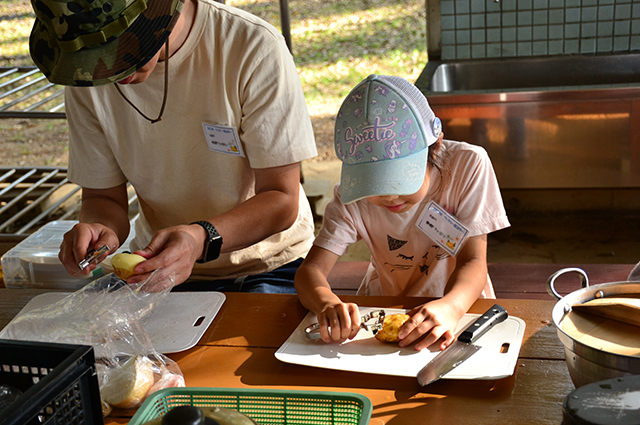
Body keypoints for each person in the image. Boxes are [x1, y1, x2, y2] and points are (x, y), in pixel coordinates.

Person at [29, 0, 318, 292]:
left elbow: (281, 198)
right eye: (96, 58)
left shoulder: (251, 46)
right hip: (153, 267)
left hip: (268, 264)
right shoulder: (89, 75)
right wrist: (99, 228)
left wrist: (198, 239)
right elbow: (104, 198)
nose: (112, 70)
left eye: (119, 50)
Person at [294, 75, 510, 350]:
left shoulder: (467, 166)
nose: (389, 196)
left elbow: (473, 261)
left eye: (400, 180)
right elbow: (309, 272)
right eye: (374, 184)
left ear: (436, 146)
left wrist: (451, 307)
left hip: (462, 307)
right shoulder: (353, 196)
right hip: (389, 308)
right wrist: (326, 302)